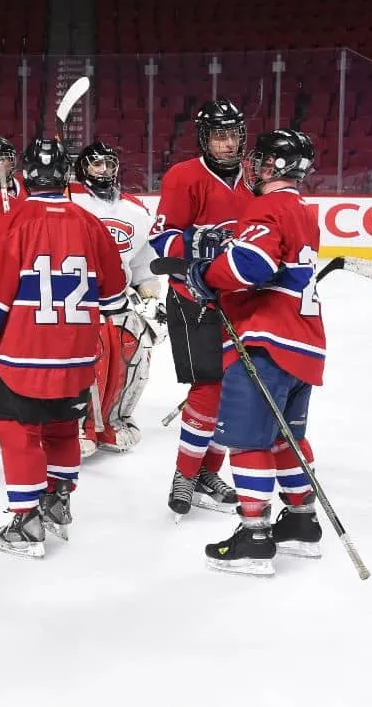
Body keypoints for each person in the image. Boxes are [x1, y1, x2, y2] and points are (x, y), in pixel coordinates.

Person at [0, 138, 128, 558]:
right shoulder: (89, 221)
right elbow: (113, 297)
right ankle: (58, 499)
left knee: (16, 430)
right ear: (67, 175)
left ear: (28, 176)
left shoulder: (14, 220)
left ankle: (27, 521)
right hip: (77, 355)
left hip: (25, 354)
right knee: (61, 427)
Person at [180, 129, 323, 576]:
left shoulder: (267, 205)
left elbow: (252, 265)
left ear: (276, 167)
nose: (254, 167)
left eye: (262, 161)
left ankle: (254, 535)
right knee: (287, 437)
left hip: (265, 343)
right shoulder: (303, 209)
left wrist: (206, 275)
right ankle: (301, 520)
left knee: (247, 441)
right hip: (304, 345)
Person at [149, 98, 253, 518]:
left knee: (233, 391)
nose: (228, 144)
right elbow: (161, 240)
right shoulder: (184, 176)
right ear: (204, 139)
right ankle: (185, 475)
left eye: (232, 135)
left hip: (243, 301)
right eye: (218, 136)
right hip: (195, 300)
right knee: (209, 387)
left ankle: (208, 473)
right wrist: (196, 244)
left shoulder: (254, 177)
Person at [68, 140, 165, 454]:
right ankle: (78, 427)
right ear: (83, 168)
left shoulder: (134, 210)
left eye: (109, 164)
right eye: (97, 164)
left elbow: (142, 263)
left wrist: (150, 298)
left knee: (131, 356)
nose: (104, 170)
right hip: (76, 300)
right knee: (89, 361)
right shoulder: (70, 201)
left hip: (120, 299)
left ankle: (113, 421)